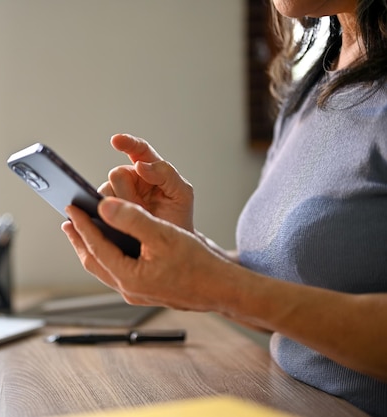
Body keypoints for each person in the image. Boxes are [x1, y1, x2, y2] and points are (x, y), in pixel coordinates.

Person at [60, 0, 387, 415]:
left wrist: (216, 284)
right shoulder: (311, 93)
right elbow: (282, 298)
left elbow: (257, 298)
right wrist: (189, 251)